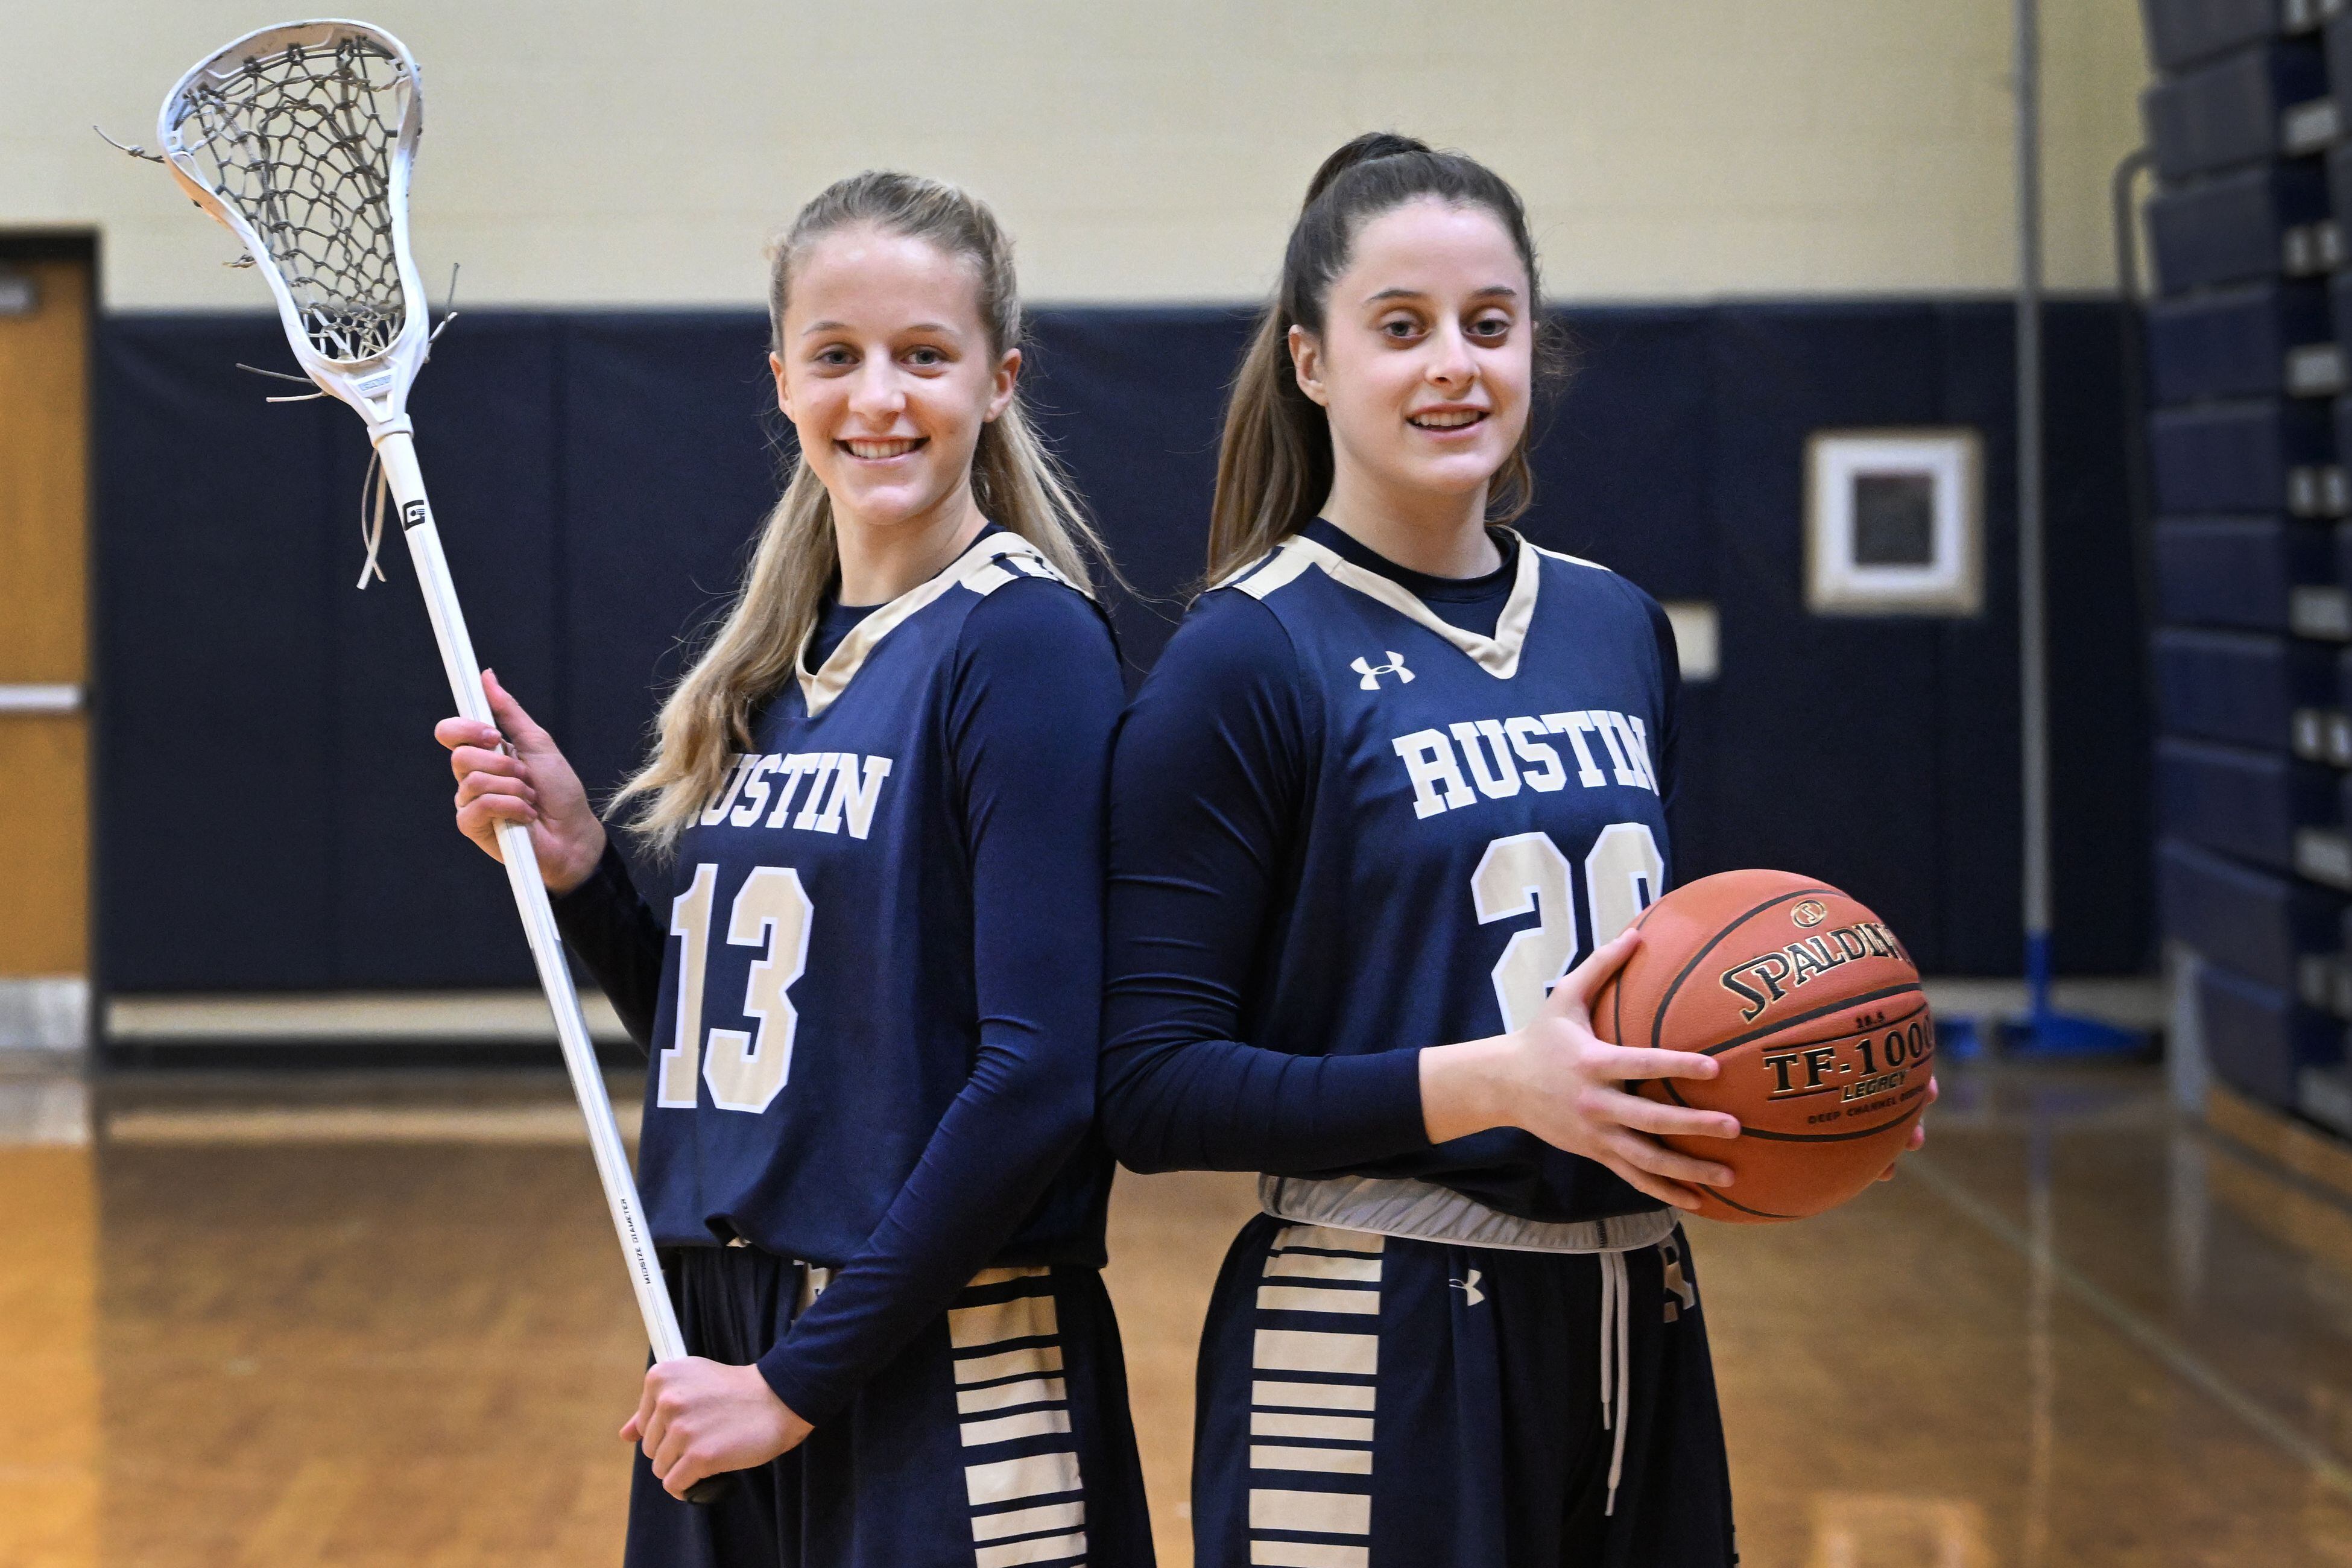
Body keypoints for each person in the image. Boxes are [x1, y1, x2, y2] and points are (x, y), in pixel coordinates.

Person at [1099, 133, 1930, 1567]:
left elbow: (1657, 991)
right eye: (1401, 328)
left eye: (1492, 325)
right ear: (1310, 361)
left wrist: (1799, 1097)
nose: (1454, 367)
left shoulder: (1615, 624)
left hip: (1637, 1311)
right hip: (1376, 1322)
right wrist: (1502, 1086)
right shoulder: (1247, 655)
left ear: (1538, 343)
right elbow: (1148, 1087)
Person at [437, 171, 1149, 1568]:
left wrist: (796, 1382)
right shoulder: (771, 674)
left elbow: (1041, 1077)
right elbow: (762, 1065)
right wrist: (587, 874)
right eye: (837, 356)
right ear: (781, 380)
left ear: (999, 381)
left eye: (923, 357)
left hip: (941, 1346)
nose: (878, 397)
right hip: (724, 1343)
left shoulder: (1021, 645)